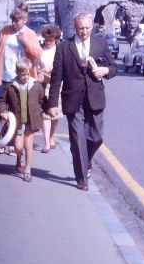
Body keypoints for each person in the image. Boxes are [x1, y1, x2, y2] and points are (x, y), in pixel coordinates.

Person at [46, 12, 117, 191]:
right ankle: (82, 178)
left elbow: (114, 67)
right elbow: (56, 78)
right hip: (73, 100)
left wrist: (105, 71)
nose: (84, 32)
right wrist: (52, 104)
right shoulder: (64, 47)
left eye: (87, 28)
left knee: (96, 137)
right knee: (78, 139)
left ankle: (87, 159)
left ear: (92, 26)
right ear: (74, 27)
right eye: (80, 28)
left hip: (95, 98)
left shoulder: (100, 44)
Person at [0, 6, 43, 155]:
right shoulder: (4, 31)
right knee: (0, 110)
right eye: (13, 20)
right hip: (4, 77)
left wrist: (24, 40)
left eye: (17, 20)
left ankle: (12, 143)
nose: (14, 23)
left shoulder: (30, 33)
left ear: (24, 20)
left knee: (17, 111)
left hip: (21, 79)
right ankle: (1, 140)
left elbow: (37, 54)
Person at [0, 59, 45, 182]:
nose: (26, 77)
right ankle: (19, 160)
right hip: (17, 122)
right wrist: (2, 111)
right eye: (23, 74)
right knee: (18, 146)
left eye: (28, 74)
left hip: (31, 121)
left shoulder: (36, 86)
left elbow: (42, 100)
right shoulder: (10, 86)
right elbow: (1, 101)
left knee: (28, 145)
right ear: (17, 72)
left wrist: (40, 112)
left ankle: (28, 170)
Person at [38, 24, 63, 153]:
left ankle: (52, 137)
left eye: (50, 40)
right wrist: (41, 70)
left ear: (56, 39)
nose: (47, 42)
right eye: (46, 39)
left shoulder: (59, 51)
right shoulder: (40, 51)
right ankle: (47, 142)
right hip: (42, 84)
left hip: (56, 85)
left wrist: (52, 71)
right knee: (45, 115)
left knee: (54, 114)